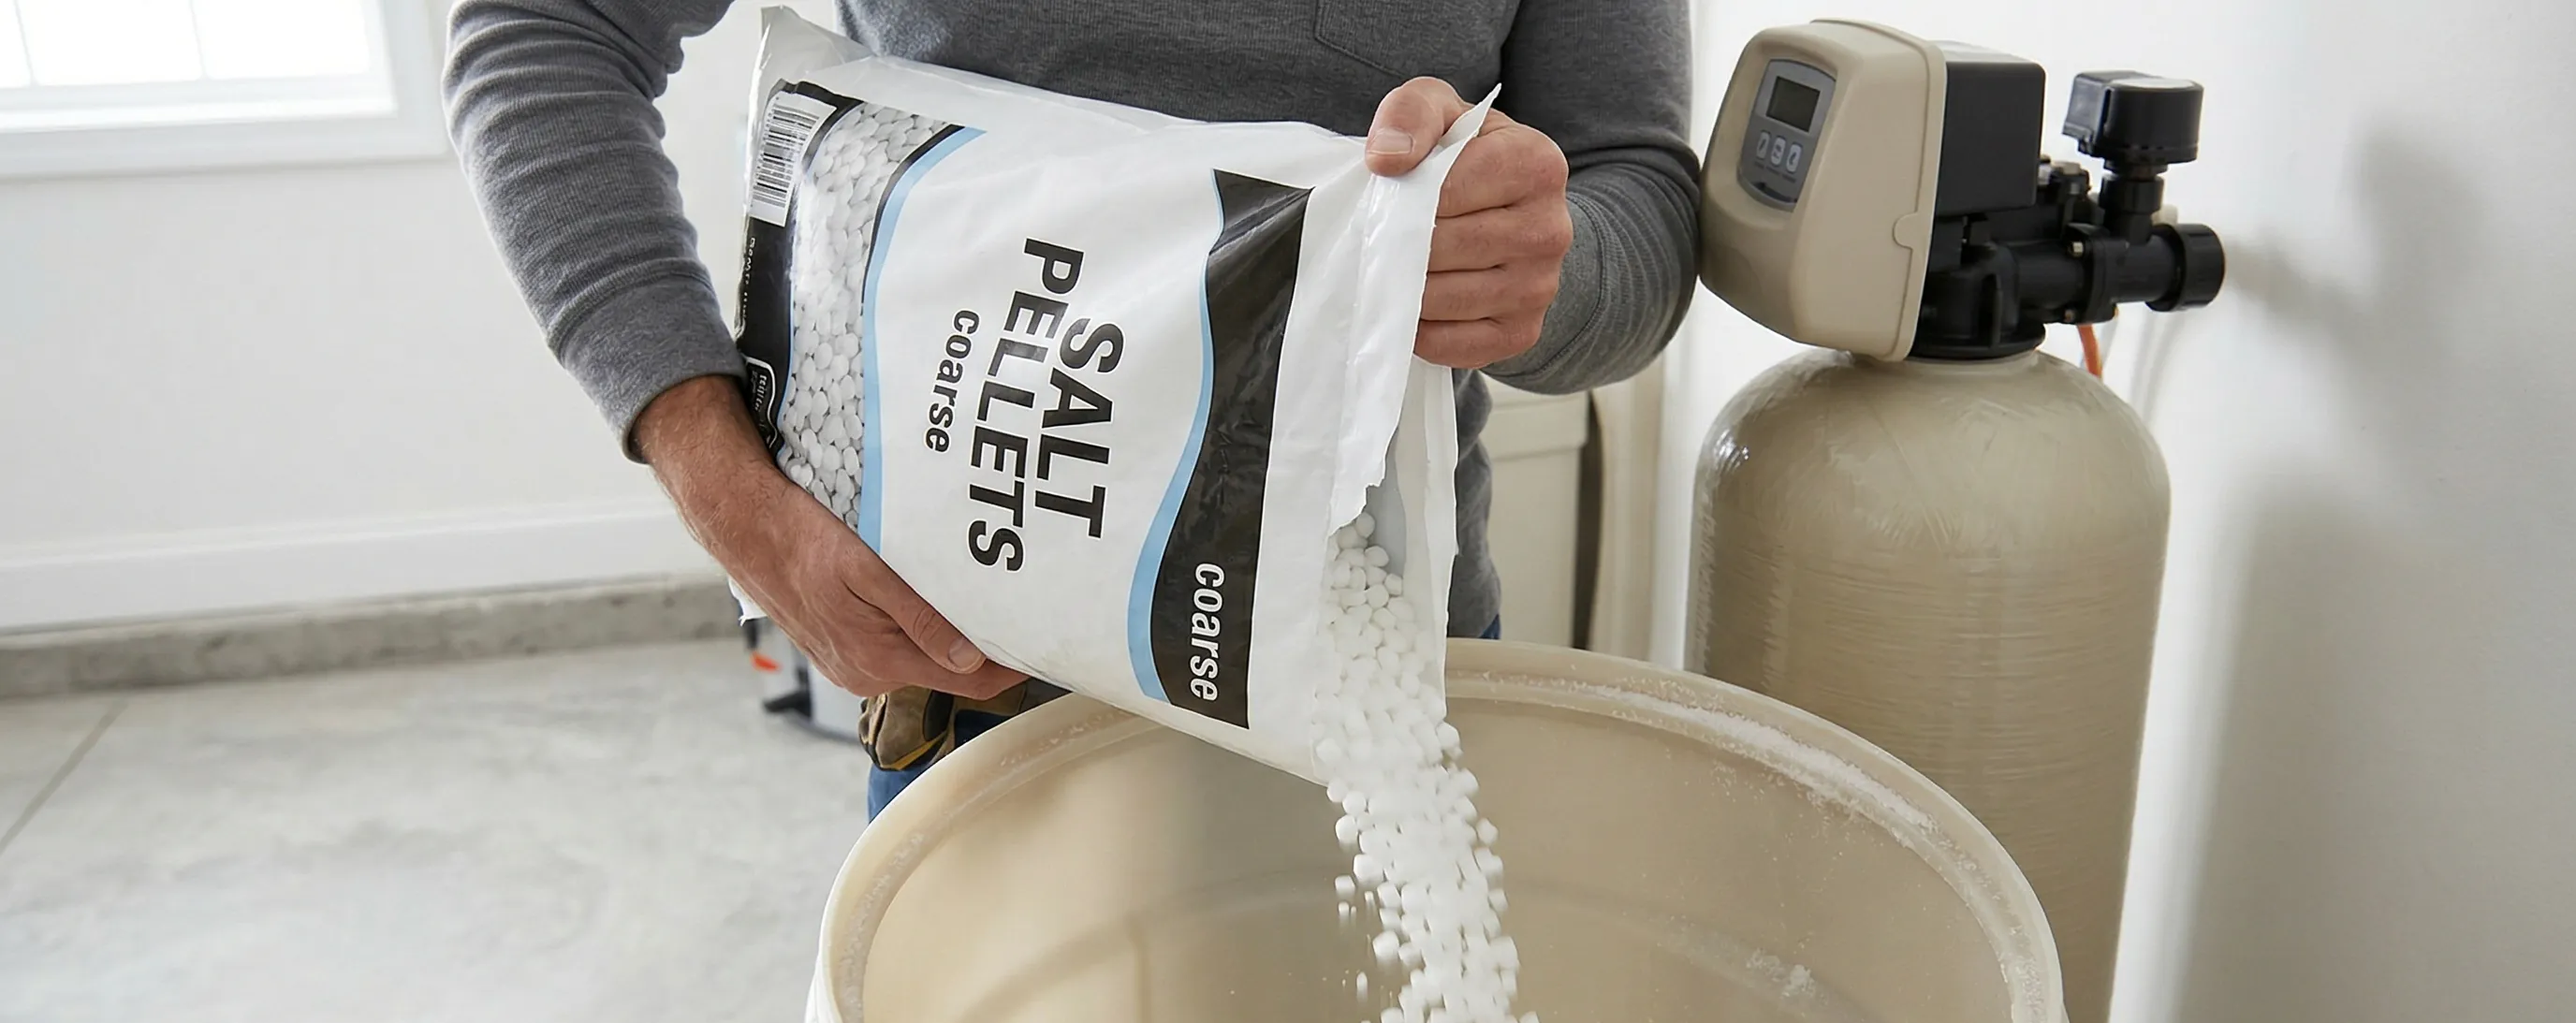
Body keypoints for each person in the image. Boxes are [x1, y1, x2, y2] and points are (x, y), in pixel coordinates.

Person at [444, 0, 1697, 828]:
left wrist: (1540, 267)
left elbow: (1635, 192)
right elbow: (544, 29)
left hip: (1369, 661)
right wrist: (725, 489)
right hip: (972, 679)